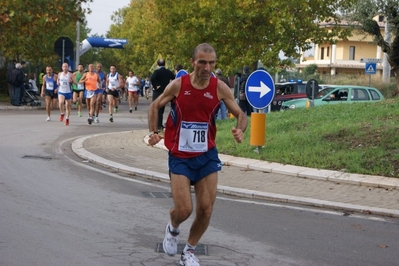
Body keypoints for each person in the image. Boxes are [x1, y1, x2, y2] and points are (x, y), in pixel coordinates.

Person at [148, 43, 247, 266]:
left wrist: (241, 129)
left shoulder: (219, 87)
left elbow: (241, 113)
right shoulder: (178, 85)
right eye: (202, 62)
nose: (207, 67)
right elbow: (154, 106)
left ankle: (189, 251)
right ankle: (173, 228)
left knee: (206, 208)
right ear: (193, 62)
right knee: (184, 209)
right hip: (180, 155)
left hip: (207, 155)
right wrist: (154, 132)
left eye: (211, 63)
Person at [150, 58, 175, 131]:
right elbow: (174, 78)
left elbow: (152, 79)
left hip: (157, 91)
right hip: (165, 92)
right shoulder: (168, 72)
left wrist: (155, 86)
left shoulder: (156, 72)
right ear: (165, 64)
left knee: (156, 108)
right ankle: (159, 125)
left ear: (157, 64)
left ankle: (157, 126)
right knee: (161, 109)